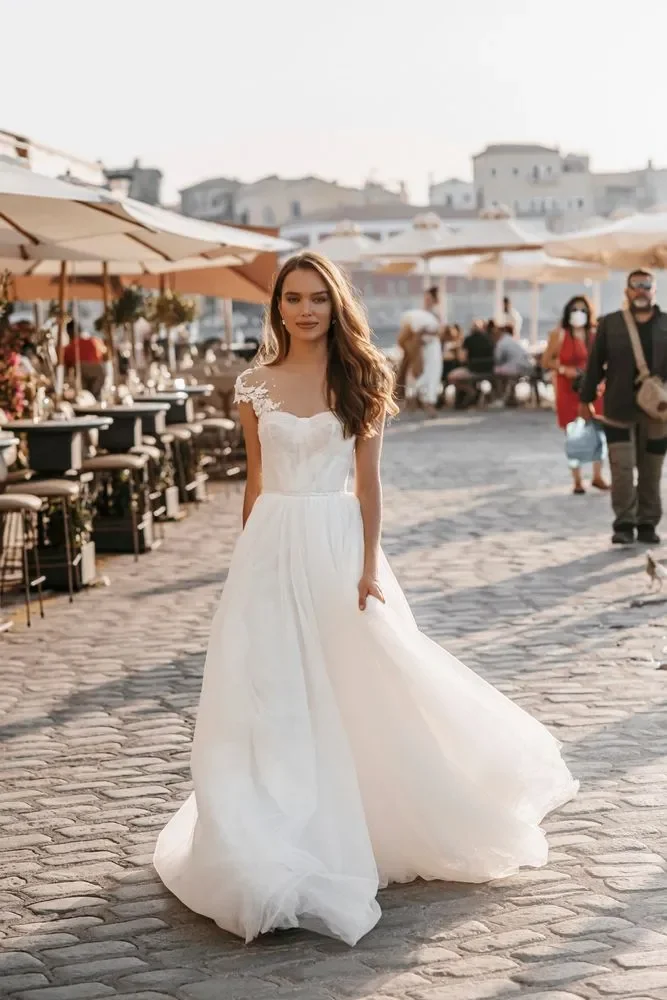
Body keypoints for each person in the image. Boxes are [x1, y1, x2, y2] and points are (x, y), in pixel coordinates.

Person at [153, 251, 578, 947]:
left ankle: (381, 813)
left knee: (359, 677)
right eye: (293, 298)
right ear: (278, 307)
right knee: (268, 690)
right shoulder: (253, 384)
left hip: (336, 541)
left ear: (335, 303)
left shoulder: (362, 376)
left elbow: (370, 486)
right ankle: (268, 824)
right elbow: (255, 484)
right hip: (269, 544)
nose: (306, 309)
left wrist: (367, 566)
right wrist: (243, 560)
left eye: (318, 297)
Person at [579, 268, 667, 545]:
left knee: (651, 470)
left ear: (654, 290)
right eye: (636, 285)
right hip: (618, 408)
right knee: (622, 468)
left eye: (646, 285)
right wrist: (586, 398)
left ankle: (648, 522)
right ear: (627, 291)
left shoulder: (666, 324)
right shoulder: (611, 324)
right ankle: (624, 523)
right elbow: (595, 364)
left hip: (658, 413)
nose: (641, 290)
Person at [542, 296, 608, 495]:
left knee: (599, 431)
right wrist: (564, 369)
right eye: (575, 309)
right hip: (568, 389)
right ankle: (577, 479)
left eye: (583, 309)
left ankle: (597, 475)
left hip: (594, 387)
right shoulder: (559, 334)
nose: (579, 313)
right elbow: (547, 360)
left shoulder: (595, 335)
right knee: (574, 433)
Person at [447, 320, 495, 408]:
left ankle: (470, 390)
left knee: (451, 376)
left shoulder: (469, 339)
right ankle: (474, 394)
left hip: (473, 369)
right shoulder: (490, 339)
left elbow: (462, 359)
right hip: (489, 369)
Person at [62, 320, 107, 397]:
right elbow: (102, 356)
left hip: (82, 371)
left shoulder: (69, 347)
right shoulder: (93, 341)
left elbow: (67, 367)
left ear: (68, 333)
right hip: (96, 371)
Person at [492, 323, 533, 404]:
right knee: (503, 373)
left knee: (494, 372)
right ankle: (510, 396)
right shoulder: (513, 340)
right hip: (526, 366)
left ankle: (500, 397)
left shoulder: (501, 342)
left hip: (515, 368)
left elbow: (497, 358)